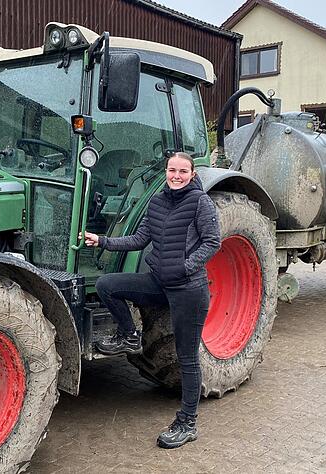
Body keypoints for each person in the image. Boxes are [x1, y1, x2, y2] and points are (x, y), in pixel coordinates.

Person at [84, 152, 221, 449]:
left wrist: (185, 266)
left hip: (188, 290)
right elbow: (139, 239)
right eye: (173, 170)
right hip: (159, 282)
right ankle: (129, 335)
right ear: (166, 171)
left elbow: (213, 242)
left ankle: (187, 422)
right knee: (108, 285)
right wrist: (103, 241)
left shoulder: (200, 202)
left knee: (186, 358)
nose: (177, 175)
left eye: (183, 171)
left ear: (192, 173)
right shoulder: (157, 202)